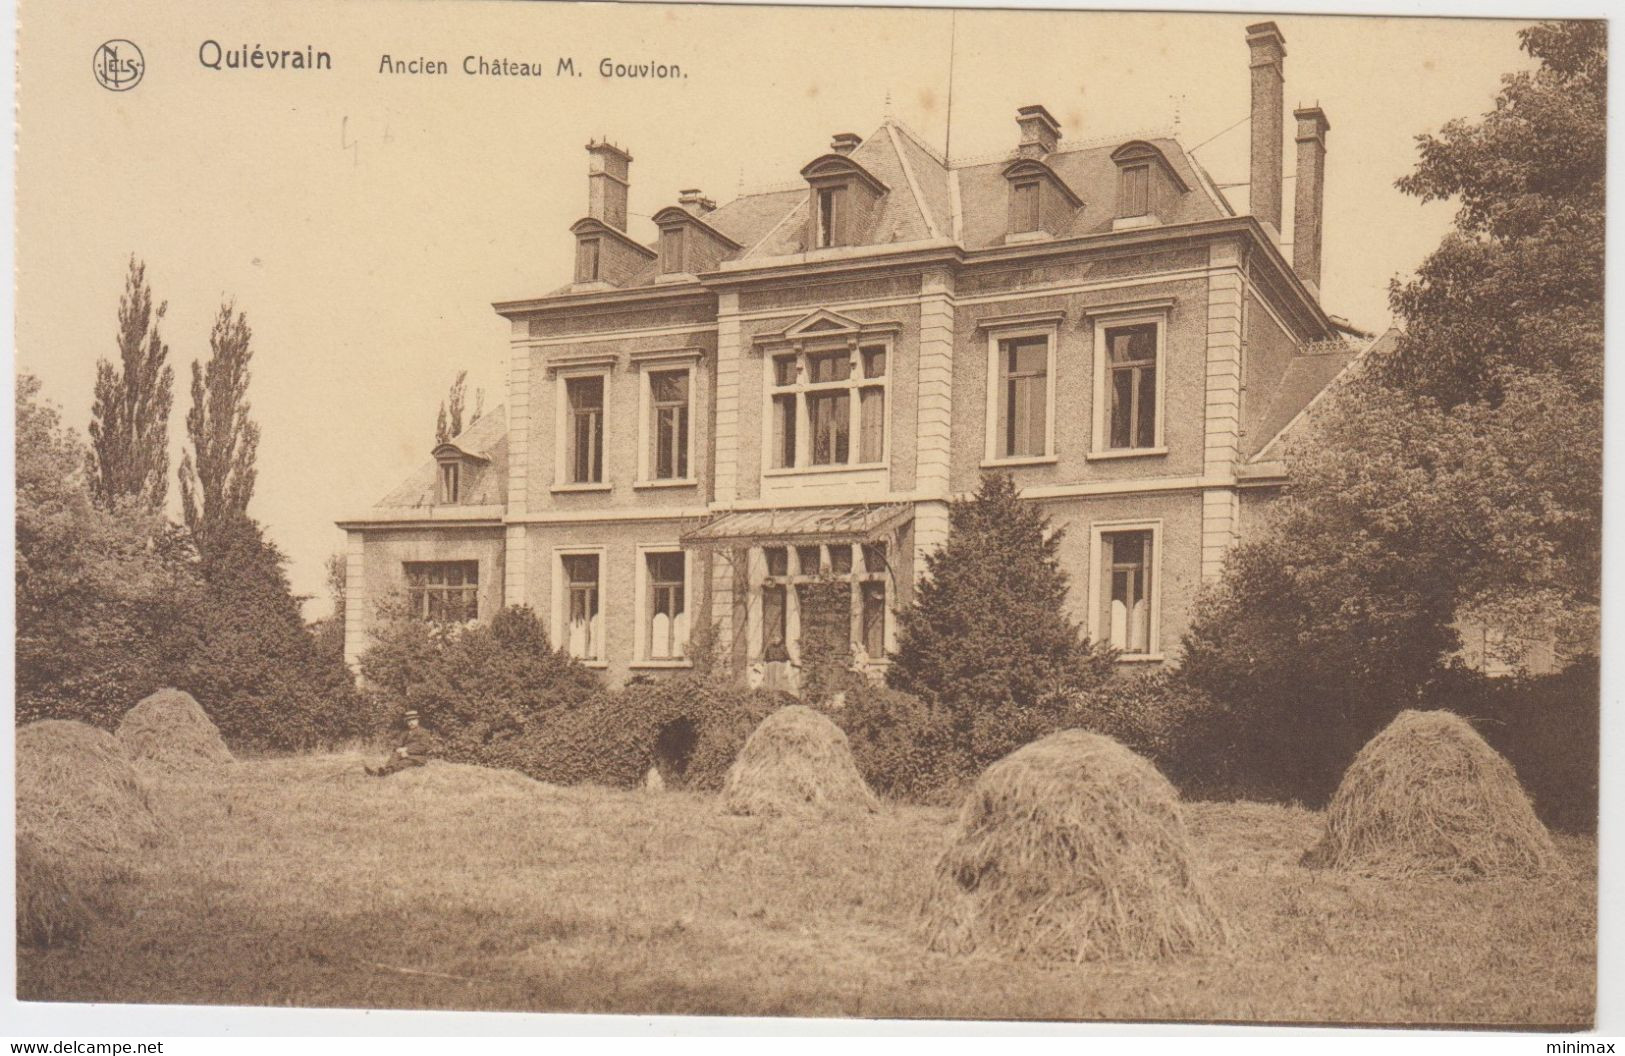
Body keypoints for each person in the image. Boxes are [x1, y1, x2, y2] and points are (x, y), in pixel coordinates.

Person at [366, 710, 434, 777]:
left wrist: (407, 751)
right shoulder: (405, 732)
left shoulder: (424, 732)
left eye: (413, 720)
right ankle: (386, 769)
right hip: (403, 754)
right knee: (395, 755)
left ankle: (386, 772)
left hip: (417, 757)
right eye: (408, 721)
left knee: (404, 763)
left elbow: (424, 747)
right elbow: (398, 744)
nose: (411, 723)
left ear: (417, 720)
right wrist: (399, 750)